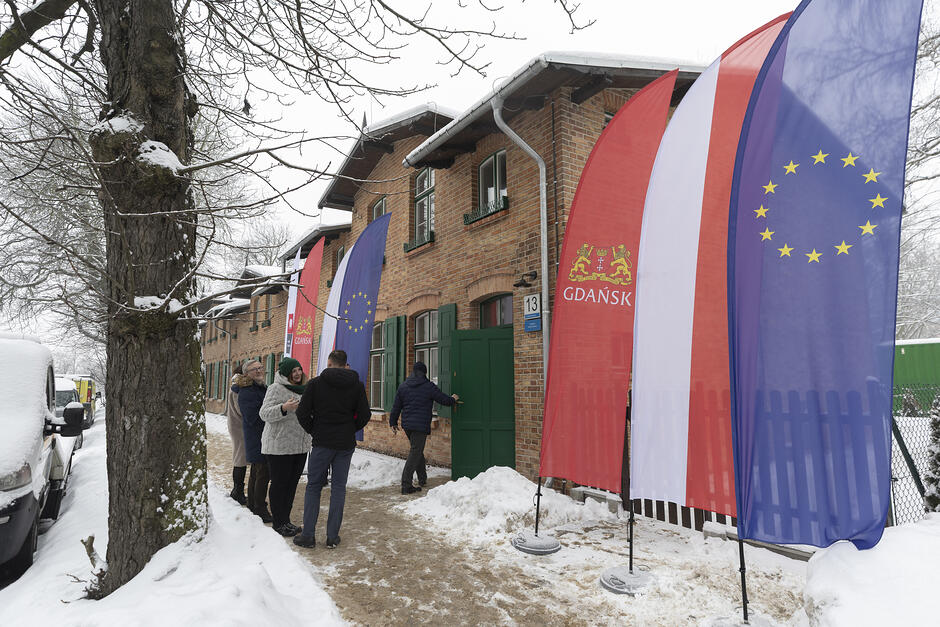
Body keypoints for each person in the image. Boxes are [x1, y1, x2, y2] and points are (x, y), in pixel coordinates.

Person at [292, 349, 370, 549]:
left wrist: (314, 429)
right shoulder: (356, 385)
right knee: (338, 488)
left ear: (329, 363)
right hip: (344, 444)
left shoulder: (316, 384)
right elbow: (365, 414)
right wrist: (350, 429)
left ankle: (308, 535)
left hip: (322, 442)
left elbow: (302, 412)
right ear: (345, 364)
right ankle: (332, 536)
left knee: (314, 487)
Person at [260, 357, 311, 537]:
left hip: (300, 445)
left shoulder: (305, 389)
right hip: (279, 446)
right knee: (280, 484)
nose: (297, 374)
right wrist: (283, 407)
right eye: (293, 371)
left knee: (291, 485)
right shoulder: (276, 388)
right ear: (286, 374)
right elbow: (264, 413)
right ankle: (278, 522)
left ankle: (286, 520)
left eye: (299, 370)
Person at [389, 361, 458, 494]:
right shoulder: (428, 386)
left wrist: (393, 422)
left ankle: (422, 478)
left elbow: (396, 406)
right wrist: (453, 399)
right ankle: (406, 484)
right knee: (415, 452)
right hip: (420, 426)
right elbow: (443, 399)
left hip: (408, 425)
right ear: (425, 373)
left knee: (417, 450)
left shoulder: (403, 386)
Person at [237, 359, 272, 523]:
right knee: (262, 474)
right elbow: (254, 417)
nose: (259, 371)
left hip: (261, 437)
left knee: (256, 473)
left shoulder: (259, 388)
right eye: (254, 369)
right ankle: (259, 508)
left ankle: (252, 504)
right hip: (257, 437)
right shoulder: (247, 391)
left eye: (260, 368)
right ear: (246, 374)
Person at [225, 362, 247, 505]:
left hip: (237, 425)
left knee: (240, 459)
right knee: (240, 459)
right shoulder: (237, 388)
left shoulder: (237, 386)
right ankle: (237, 491)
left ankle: (238, 490)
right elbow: (241, 410)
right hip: (238, 426)